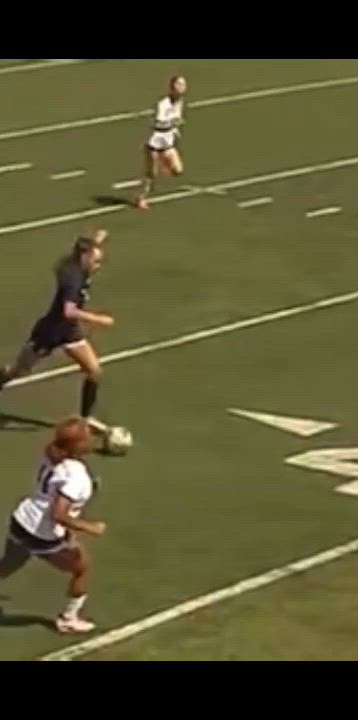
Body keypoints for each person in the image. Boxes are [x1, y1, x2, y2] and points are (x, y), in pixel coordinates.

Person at [0, 417, 106, 634]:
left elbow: (66, 444)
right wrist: (90, 527)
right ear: (76, 445)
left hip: (22, 520)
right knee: (82, 568)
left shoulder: (51, 451)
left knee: (9, 564)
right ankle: (69, 618)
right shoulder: (76, 477)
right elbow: (58, 514)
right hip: (43, 534)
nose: (91, 440)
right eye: (87, 438)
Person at [0, 231, 114, 429]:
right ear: (84, 257)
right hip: (50, 333)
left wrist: (96, 239)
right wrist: (98, 319)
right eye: (95, 261)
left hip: (69, 331)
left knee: (94, 370)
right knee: (18, 371)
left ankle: (86, 418)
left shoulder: (74, 261)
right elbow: (69, 311)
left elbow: (82, 247)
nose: (98, 266)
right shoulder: (73, 280)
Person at [134, 75, 188, 210]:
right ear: (172, 87)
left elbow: (176, 119)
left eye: (183, 84)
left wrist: (175, 128)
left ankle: (163, 163)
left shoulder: (180, 102)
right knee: (151, 174)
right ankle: (141, 198)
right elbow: (159, 124)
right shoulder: (163, 104)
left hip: (167, 143)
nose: (182, 87)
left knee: (177, 170)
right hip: (154, 144)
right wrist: (173, 123)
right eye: (179, 84)